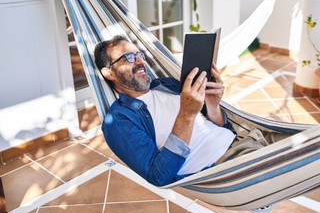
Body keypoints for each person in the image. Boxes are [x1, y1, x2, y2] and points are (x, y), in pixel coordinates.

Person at [94, 35, 283, 186]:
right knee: (305, 160)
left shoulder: (166, 84)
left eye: (139, 55)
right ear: (108, 72)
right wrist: (186, 114)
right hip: (227, 166)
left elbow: (220, 126)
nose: (139, 61)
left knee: (308, 139)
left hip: (248, 139)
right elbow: (158, 176)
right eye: (128, 57)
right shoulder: (119, 120)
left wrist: (212, 105)